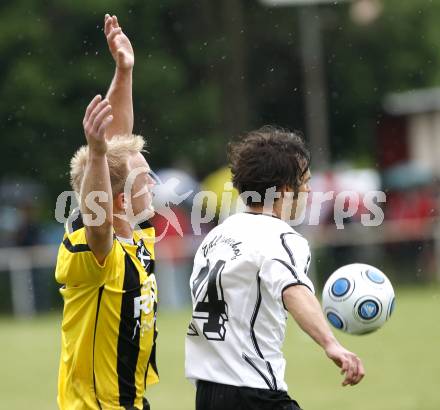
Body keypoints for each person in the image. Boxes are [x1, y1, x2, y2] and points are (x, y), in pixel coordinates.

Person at [185, 127, 365, 410]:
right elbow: (293, 290)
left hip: (208, 393)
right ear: (283, 190)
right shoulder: (280, 237)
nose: (308, 190)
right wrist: (330, 343)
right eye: (304, 182)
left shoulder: (217, 236)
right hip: (253, 391)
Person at [55, 15, 158, 410]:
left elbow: (118, 143)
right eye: (143, 181)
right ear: (116, 203)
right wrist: (97, 154)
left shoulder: (139, 235)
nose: (151, 185)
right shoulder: (99, 249)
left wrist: (124, 71)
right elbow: (98, 221)